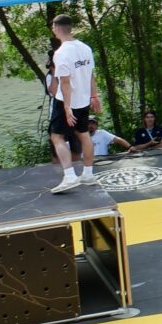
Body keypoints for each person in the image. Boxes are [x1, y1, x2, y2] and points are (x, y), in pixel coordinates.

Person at [48, 13, 99, 195]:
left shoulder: (61, 53)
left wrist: (67, 107)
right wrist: (94, 95)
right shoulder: (86, 48)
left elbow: (65, 82)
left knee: (57, 137)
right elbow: (91, 74)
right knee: (83, 134)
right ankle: (88, 173)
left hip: (66, 102)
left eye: (53, 27)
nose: (52, 29)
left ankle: (70, 176)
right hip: (83, 100)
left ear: (58, 28)